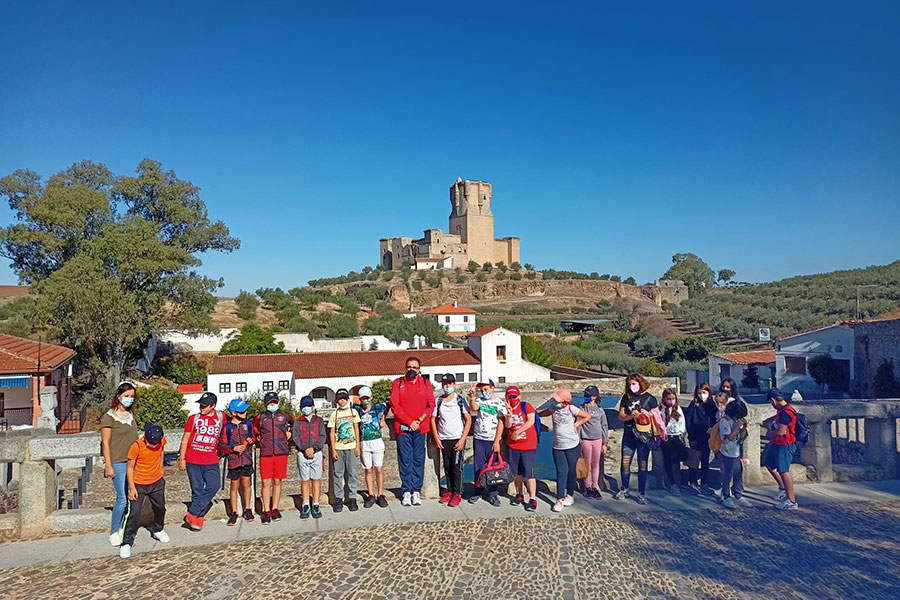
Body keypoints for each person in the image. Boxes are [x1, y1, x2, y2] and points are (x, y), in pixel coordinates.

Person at [119, 424, 169, 558]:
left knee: (160, 507)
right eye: (152, 443)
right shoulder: (136, 446)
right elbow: (129, 468)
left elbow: (162, 451)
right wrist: (132, 488)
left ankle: (158, 529)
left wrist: (161, 467)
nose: (154, 445)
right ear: (145, 438)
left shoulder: (160, 440)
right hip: (139, 483)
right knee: (134, 513)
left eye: (156, 443)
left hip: (157, 481)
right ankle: (126, 542)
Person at [390, 356, 435, 506]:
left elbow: (431, 404)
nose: (411, 370)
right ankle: (406, 491)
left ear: (419, 370)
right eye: (409, 367)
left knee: (418, 459)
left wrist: (419, 421)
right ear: (405, 368)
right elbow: (395, 405)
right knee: (405, 459)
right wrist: (409, 422)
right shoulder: (398, 383)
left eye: (415, 368)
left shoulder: (425, 383)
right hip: (403, 428)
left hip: (420, 428)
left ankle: (416, 490)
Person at [178, 391, 224, 531]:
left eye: (205, 406)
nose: (201, 408)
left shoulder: (221, 416)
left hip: (211, 459)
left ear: (213, 406)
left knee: (214, 485)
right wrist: (182, 458)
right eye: (201, 405)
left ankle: (192, 512)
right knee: (197, 490)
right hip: (193, 460)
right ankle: (198, 519)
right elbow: (185, 439)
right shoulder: (194, 419)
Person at [100, 381, 138, 547]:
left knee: (133, 497)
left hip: (133, 461)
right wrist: (109, 465)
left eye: (132, 396)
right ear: (119, 396)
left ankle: (126, 526)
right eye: (126, 396)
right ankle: (114, 531)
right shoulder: (109, 417)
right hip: (118, 461)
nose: (129, 399)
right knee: (122, 498)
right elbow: (105, 443)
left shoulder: (130, 415)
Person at [540, 388, 590, 512]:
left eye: (558, 400)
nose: (555, 401)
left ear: (565, 402)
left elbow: (586, 416)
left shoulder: (571, 409)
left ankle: (570, 495)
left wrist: (576, 425)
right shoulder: (553, 408)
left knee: (571, 471)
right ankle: (559, 499)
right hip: (557, 446)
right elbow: (547, 412)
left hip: (572, 445)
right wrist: (536, 414)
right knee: (561, 471)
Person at [613, 373, 658, 505]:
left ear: (640, 382)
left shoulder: (650, 399)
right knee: (625, 463)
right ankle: (624, 488)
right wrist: (630, 416)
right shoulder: (626, 398)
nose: (631, 386)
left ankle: (642, 493)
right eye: (629, 384)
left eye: (633, 383)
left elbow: (657, 418)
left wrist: (647, 414)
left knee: (642, 465)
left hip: (645, 437)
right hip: (629, 434)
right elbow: (621, 415)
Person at [431, 374, 472, 507]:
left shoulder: (460, 400)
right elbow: (433, 419)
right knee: (447, 466)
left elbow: (468, 419)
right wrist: (436, 437)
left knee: (457, 467)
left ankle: (457, 493)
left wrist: (463, 439)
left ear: (454, 384)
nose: (447, 386)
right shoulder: (439, 401)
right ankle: (449, 490)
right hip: (444, 438)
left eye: (449, 384)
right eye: (444, 384)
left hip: (457, 438)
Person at [253, 391, 294, 524]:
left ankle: (275, 508)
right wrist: (257, 437)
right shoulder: (261, 417)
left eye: (274, 402)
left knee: (277, 481)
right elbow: (254, 429)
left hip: (281, 452)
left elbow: (295, 424)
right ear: (266, 404)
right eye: (270, 402)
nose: (272, 404)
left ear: (278, 402)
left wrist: (290, 432)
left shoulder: (285, 416)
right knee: (266, 482)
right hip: (266, 453)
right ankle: (266, 510)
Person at [468, 379, 507, 506]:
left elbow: (501, 422)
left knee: (493, 466)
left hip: (492, 439)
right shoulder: (480, 401)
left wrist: (497, 441)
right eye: (482, 390)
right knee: (478, 466)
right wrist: (473, 397)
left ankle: (493, 493)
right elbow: (473, 408)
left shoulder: (499, 403)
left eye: (486, 389)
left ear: (492, 388)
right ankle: (478, 490)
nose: (484, 392)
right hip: (479, 438)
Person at [218, 399, 255, 526]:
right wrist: (233, 449)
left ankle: (248, 509)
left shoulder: (248, 424)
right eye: (242, 411)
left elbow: (254, 437)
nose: (245, 412)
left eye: (245, 410)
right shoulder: (227, 427)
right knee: (234, 486)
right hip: (234, 461)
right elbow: (221, 445)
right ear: (234, 413)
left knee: (246, 484)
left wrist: (251, 440)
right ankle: (234, 512)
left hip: (247, 459)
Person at [763, 389, 800, 510]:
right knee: (769, 464)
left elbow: (781, 431)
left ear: (773, 400)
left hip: (784, 445)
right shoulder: (784, 410)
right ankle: (783, 489)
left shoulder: (786, 413)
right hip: (777, 444)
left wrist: (768, 433)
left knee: (784, 471)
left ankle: (792, 501)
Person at [503, 385, 539, 511]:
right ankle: (519, 494)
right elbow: (508, 425)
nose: (512, 399)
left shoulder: (526, 406)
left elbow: (531, 421)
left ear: (519, 396)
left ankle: (533, 498)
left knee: (529, 472)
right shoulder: (506, 409)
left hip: (528, 445)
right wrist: (509, 413)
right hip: (513, 445)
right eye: (510, 397)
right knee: (516, 472)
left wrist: (518, 432)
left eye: (514, 396)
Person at [292, 395, 326, 519]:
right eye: (303, 406)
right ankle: (305, 503)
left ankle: (315, 503)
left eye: (308, 406)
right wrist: (304, 448)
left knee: (316, 479)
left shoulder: (319, 421)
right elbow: (295, 437)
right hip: (303, 453)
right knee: (305, 480)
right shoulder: (298, 421)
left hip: (316, 453)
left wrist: (314, 448)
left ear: (313, 407)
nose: (306, 408)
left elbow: (322, 436)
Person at [328, 388, 361, 512]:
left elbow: (356, 429)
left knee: (352, 473)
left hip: (351, 447)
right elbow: (331, 432)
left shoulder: (353, 412)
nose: (342, 401)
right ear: (336, 401)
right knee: (338, 474)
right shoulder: (334, 414)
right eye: (340, 399)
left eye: (344, 399)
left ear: (347, 399)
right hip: (339, 447)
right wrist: (333, 449)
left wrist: (358, 446)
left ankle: (352, 498)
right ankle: (338, 499)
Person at [355, 385, 389, 508]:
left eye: (367, 397)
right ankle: (370, 494)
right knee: (368, 469)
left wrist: (383, 418)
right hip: (364, 442)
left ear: (371, 397)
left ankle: (380, 494)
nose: (365, 400)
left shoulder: (377, 407)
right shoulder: (357, 409)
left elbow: (387, 405)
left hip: (376, 441)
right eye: (363, 398)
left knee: (378, 469)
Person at [683, 383, 717, 495]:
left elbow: (715, 419)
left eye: (704, 392)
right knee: (694, 461)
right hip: (696, 437)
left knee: (705, 461)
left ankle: (704, 483)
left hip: (708, 437)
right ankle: (692, 482)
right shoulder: (693, 405)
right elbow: (689, 421)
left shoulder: (712, 405)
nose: (702, 395)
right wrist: (691, 437)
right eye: (700, 393)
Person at [718, 399, 752, 509]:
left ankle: (738, 495)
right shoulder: (724, 421)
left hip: (736, 452)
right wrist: (737, 427)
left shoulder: (736, 421)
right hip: (727, 452)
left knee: (738, 473)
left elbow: (742, 437)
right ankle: (726, 495)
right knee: (728, 474)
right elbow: (730, 437)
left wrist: (744, 427)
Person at [579, 386, 609, 499]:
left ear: (594, 397)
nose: (586, 397)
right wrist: (579, 440)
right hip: (585, 439)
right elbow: (579, 425)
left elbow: (604, 426)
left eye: (588, 395)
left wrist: (604, 443)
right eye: (585, 394)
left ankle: (594, 487)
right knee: (587, 464)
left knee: (595, 464)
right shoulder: (581, 408)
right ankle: (587, 486)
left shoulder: (600, 410)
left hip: (598, 439)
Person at [659, 389, 688, 496]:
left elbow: (682, 422)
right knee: (668, 460)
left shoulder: (678, 409)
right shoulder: (661, 409)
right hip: (666, 437)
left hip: (676, 436)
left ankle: (676, 480)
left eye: (673, 399)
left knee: (683, 454)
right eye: (669, 399)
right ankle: (673, 484)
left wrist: (682, 434)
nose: (671, 401)